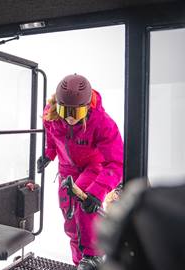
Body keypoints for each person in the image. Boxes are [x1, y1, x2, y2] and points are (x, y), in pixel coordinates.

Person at [36, 74, 123, 270]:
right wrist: (49, 155)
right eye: (65, 110)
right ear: (57, 104)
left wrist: (98, 191)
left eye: (77, 112)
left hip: (93, 166)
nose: (69, 117)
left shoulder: (102, 122)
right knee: (70, 219)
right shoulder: (52, 113)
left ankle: (93, 256)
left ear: (87, 107)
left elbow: (117, 161)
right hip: (67, 169)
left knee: (83, 204)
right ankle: (80, 263)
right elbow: (52, 136)